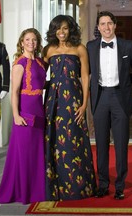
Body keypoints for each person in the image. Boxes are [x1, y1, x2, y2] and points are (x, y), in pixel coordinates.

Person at [0, 28, 47, 204]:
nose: (31, 43)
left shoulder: (40, 62)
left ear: (37, 42)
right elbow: (14, 92)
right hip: (25, 111)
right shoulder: (19, 63)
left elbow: (41, 84)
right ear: (22, 42)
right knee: (23, 153)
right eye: (27, 40)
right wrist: (16, 115)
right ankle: (23, 191)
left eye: (34, 40)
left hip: (39, 109)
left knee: (36, 152)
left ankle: (36, 189)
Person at [43, 15, 96, 200]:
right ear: (54, 31)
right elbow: (38, 75)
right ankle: (54, 186)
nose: (62, 32)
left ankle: (78, 186)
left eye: (65, 28)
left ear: (70, 29)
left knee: (73, 140)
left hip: (73, 100)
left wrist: (84, 105)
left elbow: (86, 78)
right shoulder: (48, 50)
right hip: (53, 102)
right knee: (55, 141)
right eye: (58, 29)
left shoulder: (80, 48)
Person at [86, 11, 132, 200]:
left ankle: (120, 186)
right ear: (98, 27)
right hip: (99, 98)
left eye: (109, 23)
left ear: (115, 25)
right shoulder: (90, 47)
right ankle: (103, 184)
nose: (106, 27)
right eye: (102, 24)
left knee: (121, 144)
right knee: (101, 144)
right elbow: (86, 73)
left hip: (119, 98)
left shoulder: (127, 46)